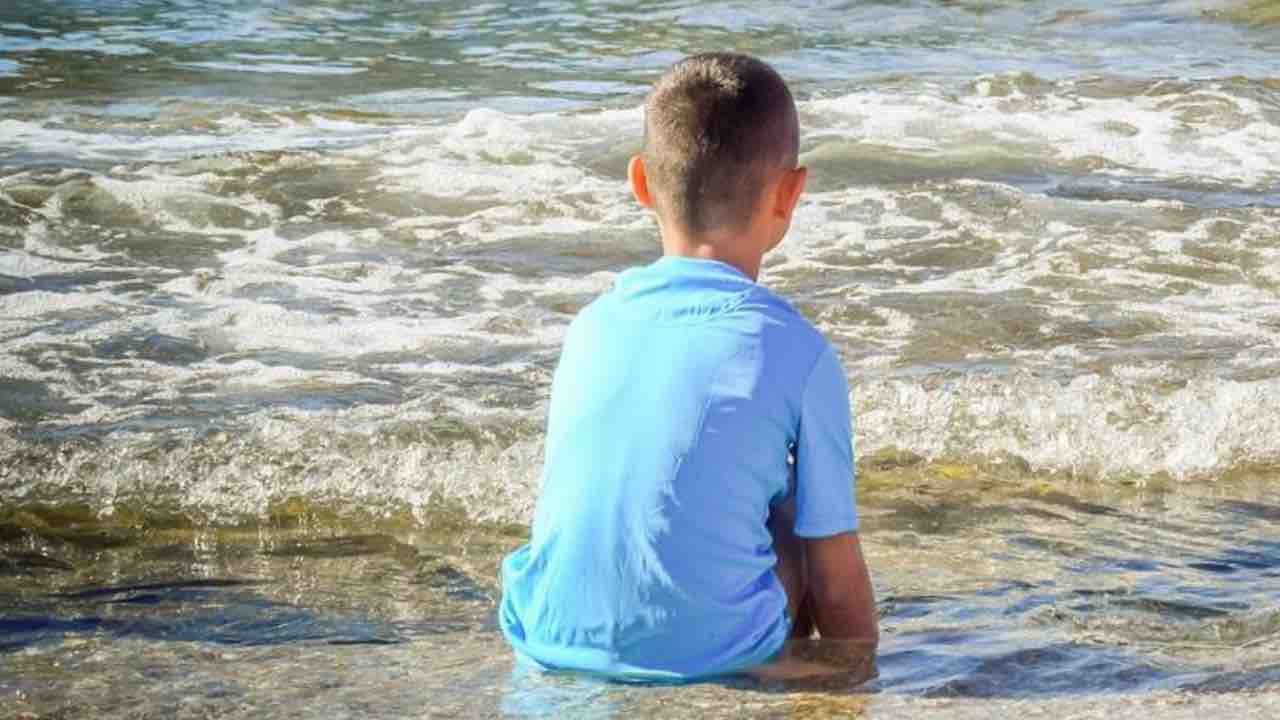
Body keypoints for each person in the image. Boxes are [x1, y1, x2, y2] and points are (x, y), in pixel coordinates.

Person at [499, 52, 879, 682]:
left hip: (548, 636)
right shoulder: (799, 351)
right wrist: (860, 681)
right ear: (790, 194)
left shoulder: (590, 326)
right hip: (716, 657)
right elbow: (835, 578)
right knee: (792, 508)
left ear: (641, 183)